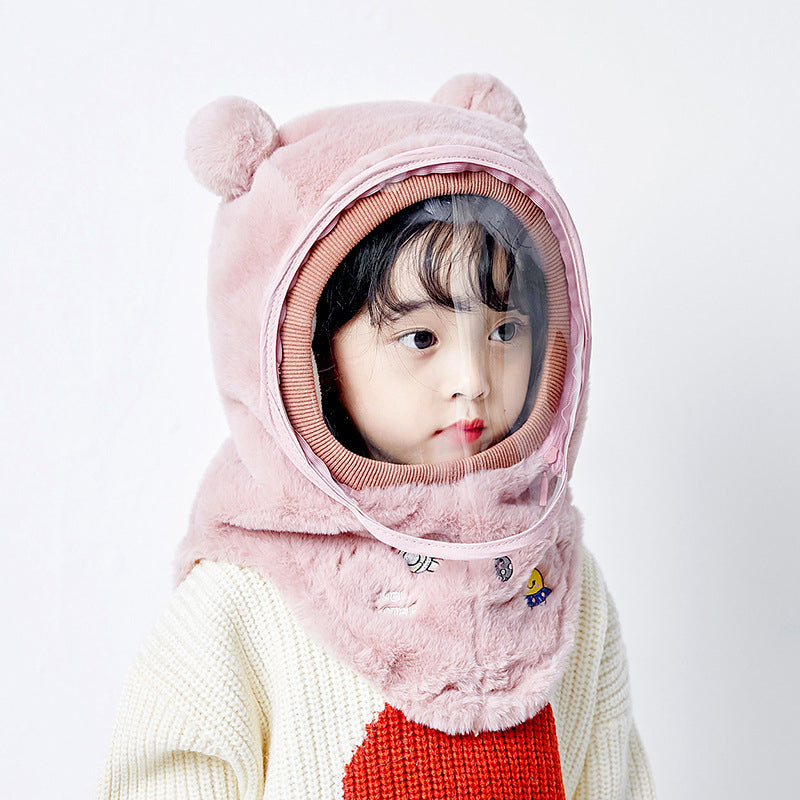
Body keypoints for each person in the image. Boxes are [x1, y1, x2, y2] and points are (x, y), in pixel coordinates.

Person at [97, 74, 656, 799]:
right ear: (311, 355)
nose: (472, 380)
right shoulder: (248, 597)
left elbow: (612, 780)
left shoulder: (553, 579)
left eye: (505, 330)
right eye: (421, 337)